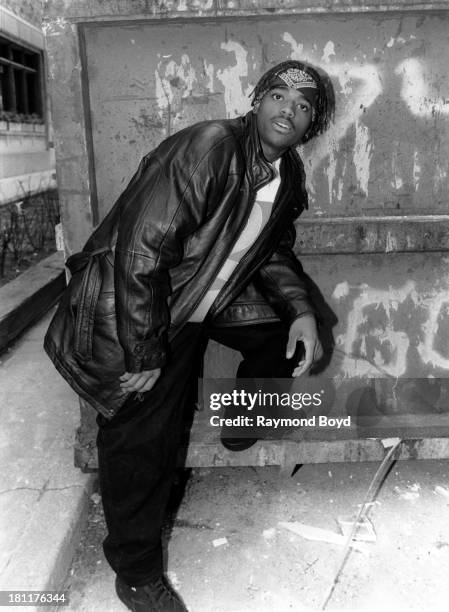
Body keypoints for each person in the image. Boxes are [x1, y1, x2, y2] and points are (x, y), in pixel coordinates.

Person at [45, 59, 334, 612]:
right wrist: (146, 350)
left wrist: (300, 309)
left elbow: (268, 249)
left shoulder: (286, 174)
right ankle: (135, 573)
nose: (289, 111)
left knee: (284, 336)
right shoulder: (210, 146)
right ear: (256, 101)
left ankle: (242, 420)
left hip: (206, 298)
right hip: (143, 309)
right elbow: (140, 252)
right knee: (141, 444)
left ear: (310, 125)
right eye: (278, 96)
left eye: (303, 108)